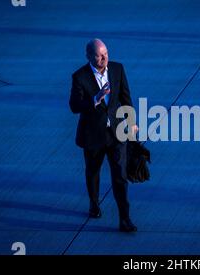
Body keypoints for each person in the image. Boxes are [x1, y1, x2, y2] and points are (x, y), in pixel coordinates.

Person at [69, 38, 139, 232]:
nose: (104, 58)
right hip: (93, 136)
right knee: (93, 172)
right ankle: (94, 203)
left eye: (106, 53)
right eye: (99, 55)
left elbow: (126, 97)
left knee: (120, 176)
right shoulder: (80, 77)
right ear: (89, 56)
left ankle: (125, 219)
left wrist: (132, 122)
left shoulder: (117, 69)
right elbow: (74, 106)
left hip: (117, 133)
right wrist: (95, 99)